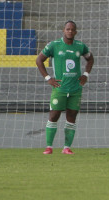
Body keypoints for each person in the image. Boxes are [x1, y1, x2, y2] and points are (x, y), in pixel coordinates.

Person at [35, 21, 94, 155]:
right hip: (60, 88)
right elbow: (39, 60)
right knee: (54, 115)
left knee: (72, 116)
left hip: (76, 88)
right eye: (68, 29)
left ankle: (66, 147)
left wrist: (85, 75)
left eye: (73, 30)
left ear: (76, 32)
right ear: (63, 30)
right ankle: (49, 147)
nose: (70, 31)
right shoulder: (54, 45)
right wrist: (48, 78)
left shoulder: (80, 46)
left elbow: (90, 59)